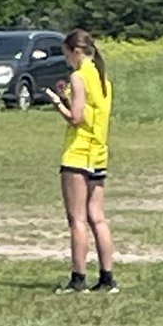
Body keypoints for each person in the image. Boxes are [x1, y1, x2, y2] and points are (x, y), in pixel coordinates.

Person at [45, 29, 117, 293]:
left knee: (76, 219)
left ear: (76, 51)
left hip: (78, 152)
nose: (67, 61)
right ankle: (107, 278)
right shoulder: (102, 78)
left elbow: (76, 118)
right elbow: (90, 112)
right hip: (99, 151)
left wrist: (58, 104)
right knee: (97, 217)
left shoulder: (78, 76)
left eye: (66, 54)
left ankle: (78, 279)